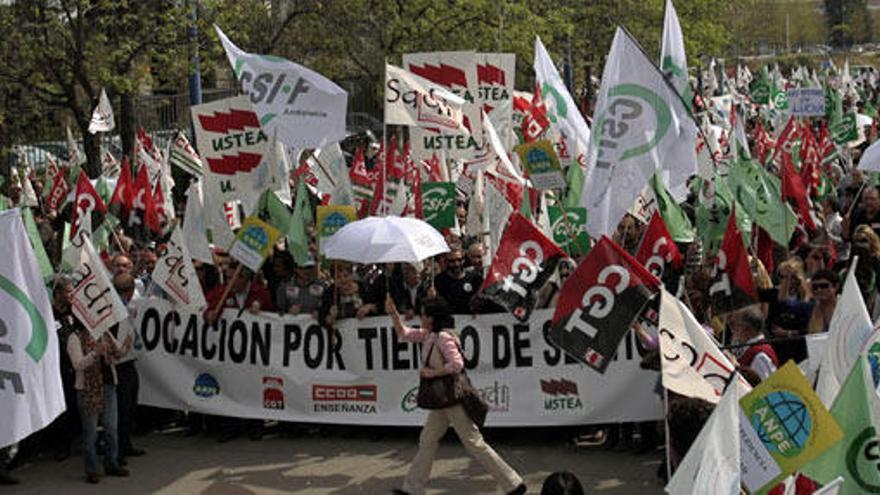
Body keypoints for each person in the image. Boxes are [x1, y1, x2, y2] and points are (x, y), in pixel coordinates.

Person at [385, 295, 525, 495]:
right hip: (444, 399)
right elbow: (404, 333)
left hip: (451, 399)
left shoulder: (442, 337)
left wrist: (432, 373)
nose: (420, 317)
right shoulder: (428, 334)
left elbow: (457, 364)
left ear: (432, 318)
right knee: (428, 440)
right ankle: (412, 488)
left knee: (473, 442)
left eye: (423, 314)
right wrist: (393, 313)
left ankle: (513, 484)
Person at [67, 322, 133, 483]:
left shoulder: (105, 333)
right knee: (91, 433)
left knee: (111, 428)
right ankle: (91, 470)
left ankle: (112, 463)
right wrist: (94, 354)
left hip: (108, 385)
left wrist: (125, 348)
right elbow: (77, 364)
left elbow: (117, 355)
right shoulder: (74, 337)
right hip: (87, 390)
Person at [112, 273, 146, 466]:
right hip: (119, 365)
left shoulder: (126, 308)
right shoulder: (116, 311)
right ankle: (117, 450)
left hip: (129, 362)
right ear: (131, 290)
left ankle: (125, 444)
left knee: (129, 407)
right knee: (121, 409)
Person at [728, 305, 779, 384]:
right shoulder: (750, 348)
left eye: (737, 325)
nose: (733, 330)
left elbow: (766, 387)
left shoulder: (760, 355)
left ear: (747, 329)